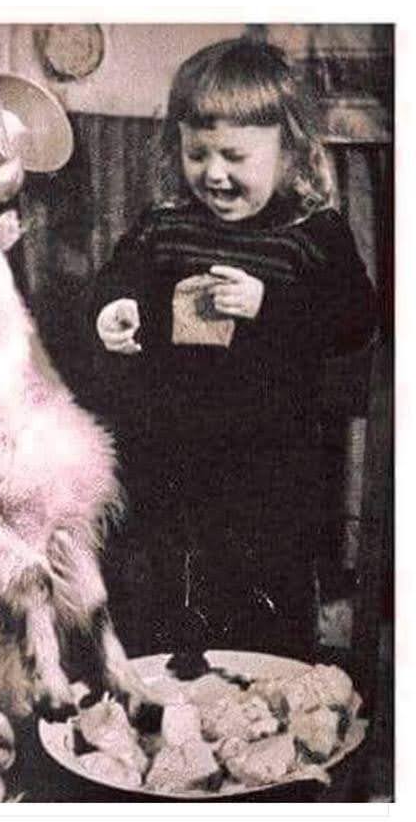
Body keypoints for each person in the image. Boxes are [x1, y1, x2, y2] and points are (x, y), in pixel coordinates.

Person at [92, 38, 376, 663]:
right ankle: (168, 698)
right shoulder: (167, 223)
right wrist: (114, 308)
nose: (213, 174)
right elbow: (118, 277)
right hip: (168, 461)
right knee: (163, 607)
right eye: (197, 153)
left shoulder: (311, 232)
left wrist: (269, 304)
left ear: (289, 152)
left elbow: (357, 322)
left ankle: (268, 696)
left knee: (264, 617)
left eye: (235, 156)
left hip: (272, 474)